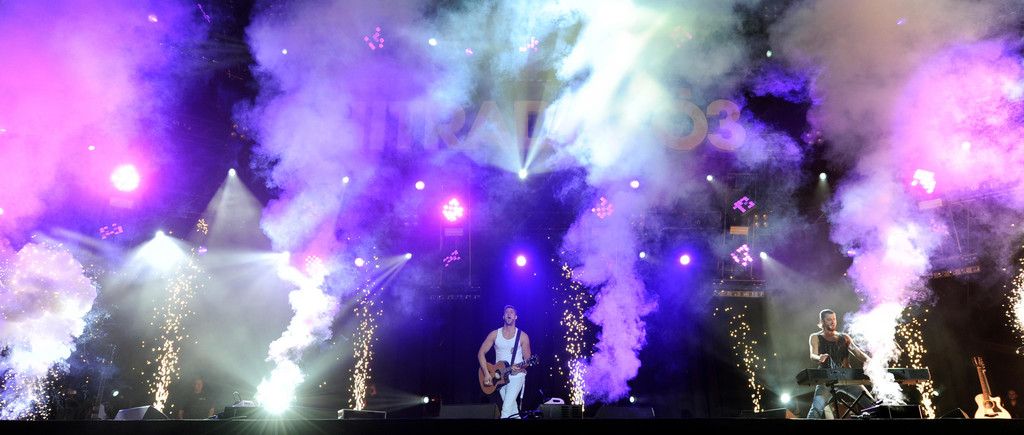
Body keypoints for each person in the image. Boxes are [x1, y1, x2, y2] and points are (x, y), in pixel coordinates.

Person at [806, 309, 875, 419]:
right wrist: (820, 357)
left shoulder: (844, 337)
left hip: (847, 377)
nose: (832, 321)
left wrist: (872, 362)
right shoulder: (815, 337)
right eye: (829, 319)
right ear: (822, 321)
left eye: (834, 319)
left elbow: (858, 353)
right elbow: (812, 355)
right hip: (827, 379)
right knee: (816, 409)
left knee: (871, 405)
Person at [477, 305, 531, 419]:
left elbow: (528, 360)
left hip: (516, 377)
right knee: (512, 412)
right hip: (500, 378)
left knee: (505, 410)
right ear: (503, 316)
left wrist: (520, 368)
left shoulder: (523, 336)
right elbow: (481, 353)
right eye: (507, 312)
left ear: (516, 317)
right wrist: (486, 373)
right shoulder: (495, 334)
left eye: (512, 312)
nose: (509, 314)